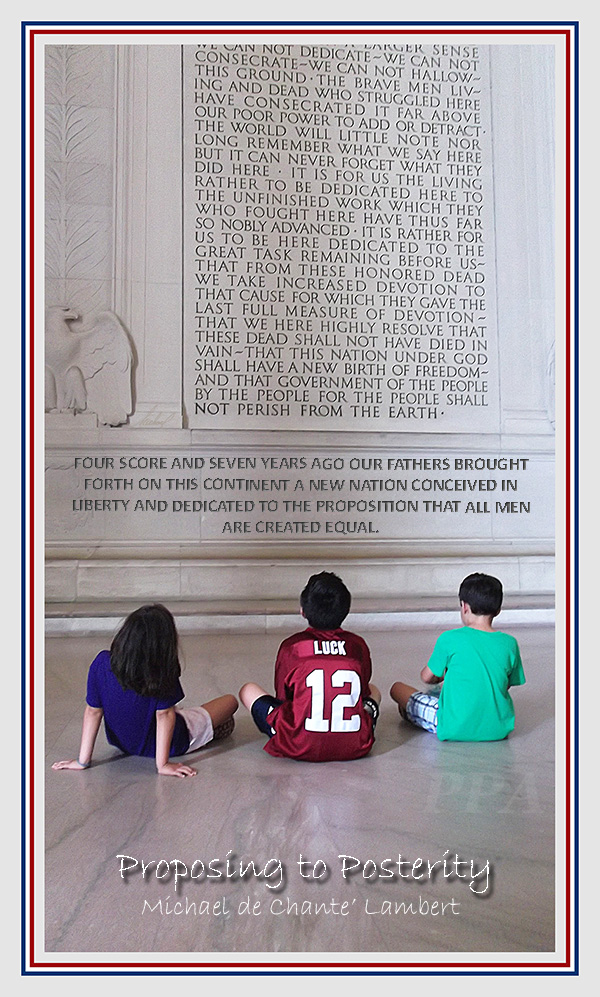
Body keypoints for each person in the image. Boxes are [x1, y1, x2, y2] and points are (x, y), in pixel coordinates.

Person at [52, 603, 238, 777]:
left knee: (175, 710)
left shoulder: (101, 662)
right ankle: (207, 726)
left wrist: (82, 761)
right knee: (230, 702)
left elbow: (93, 711)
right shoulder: (160, 670)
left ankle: (199, 722)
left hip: (124, 744)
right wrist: (163, 765)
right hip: (174, 742)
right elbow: (164, 715)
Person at [240, 571, 381, 762]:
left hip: (298, 744)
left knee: (248, 690)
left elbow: (283, 697)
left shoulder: (292, 646)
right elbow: (362, 692)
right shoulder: (357, 645)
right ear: (346, 610)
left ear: (303, 611)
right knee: (374, 691)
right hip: (356, 746)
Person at [390, 573, 525, 741]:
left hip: (452, 726)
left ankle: (409, 712)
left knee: (397, 689)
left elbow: (426, 677)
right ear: (498, 610)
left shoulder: (449, 638)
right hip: (498, 729)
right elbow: (505, 684)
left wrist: (441, 677)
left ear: (464, 607)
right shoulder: (509, 643)